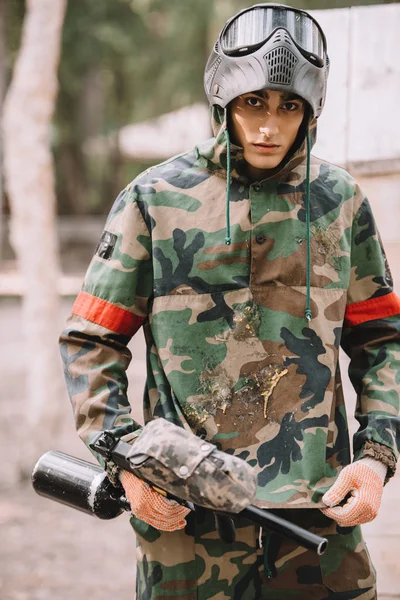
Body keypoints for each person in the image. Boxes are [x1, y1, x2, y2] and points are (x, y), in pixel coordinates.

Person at [60, 3, 400, 598]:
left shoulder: (340, 201)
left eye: (288, 106)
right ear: (224, 103)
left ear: (310, 111)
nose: (269, 126)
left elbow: (384, 339)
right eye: (253, 104)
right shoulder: (153, 199)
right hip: (186, 517)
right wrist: (125, 462)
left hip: (318, 515)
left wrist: (376, 459)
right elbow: (93, 340)